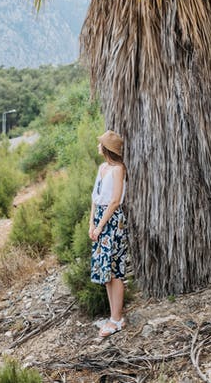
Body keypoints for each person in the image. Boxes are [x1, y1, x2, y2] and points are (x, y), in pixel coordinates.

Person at [89, 129, 128, 337]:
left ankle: (116, 319)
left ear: (106, 148)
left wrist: (100, 226)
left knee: (114, 270)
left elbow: (114, 201)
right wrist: (91, 224)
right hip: (100, 220)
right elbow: (95, 199)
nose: (98, 145)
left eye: (100, 143)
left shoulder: (118, 169)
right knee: (105, 272)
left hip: (112, 221)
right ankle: (113, 316)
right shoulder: (102, 167)